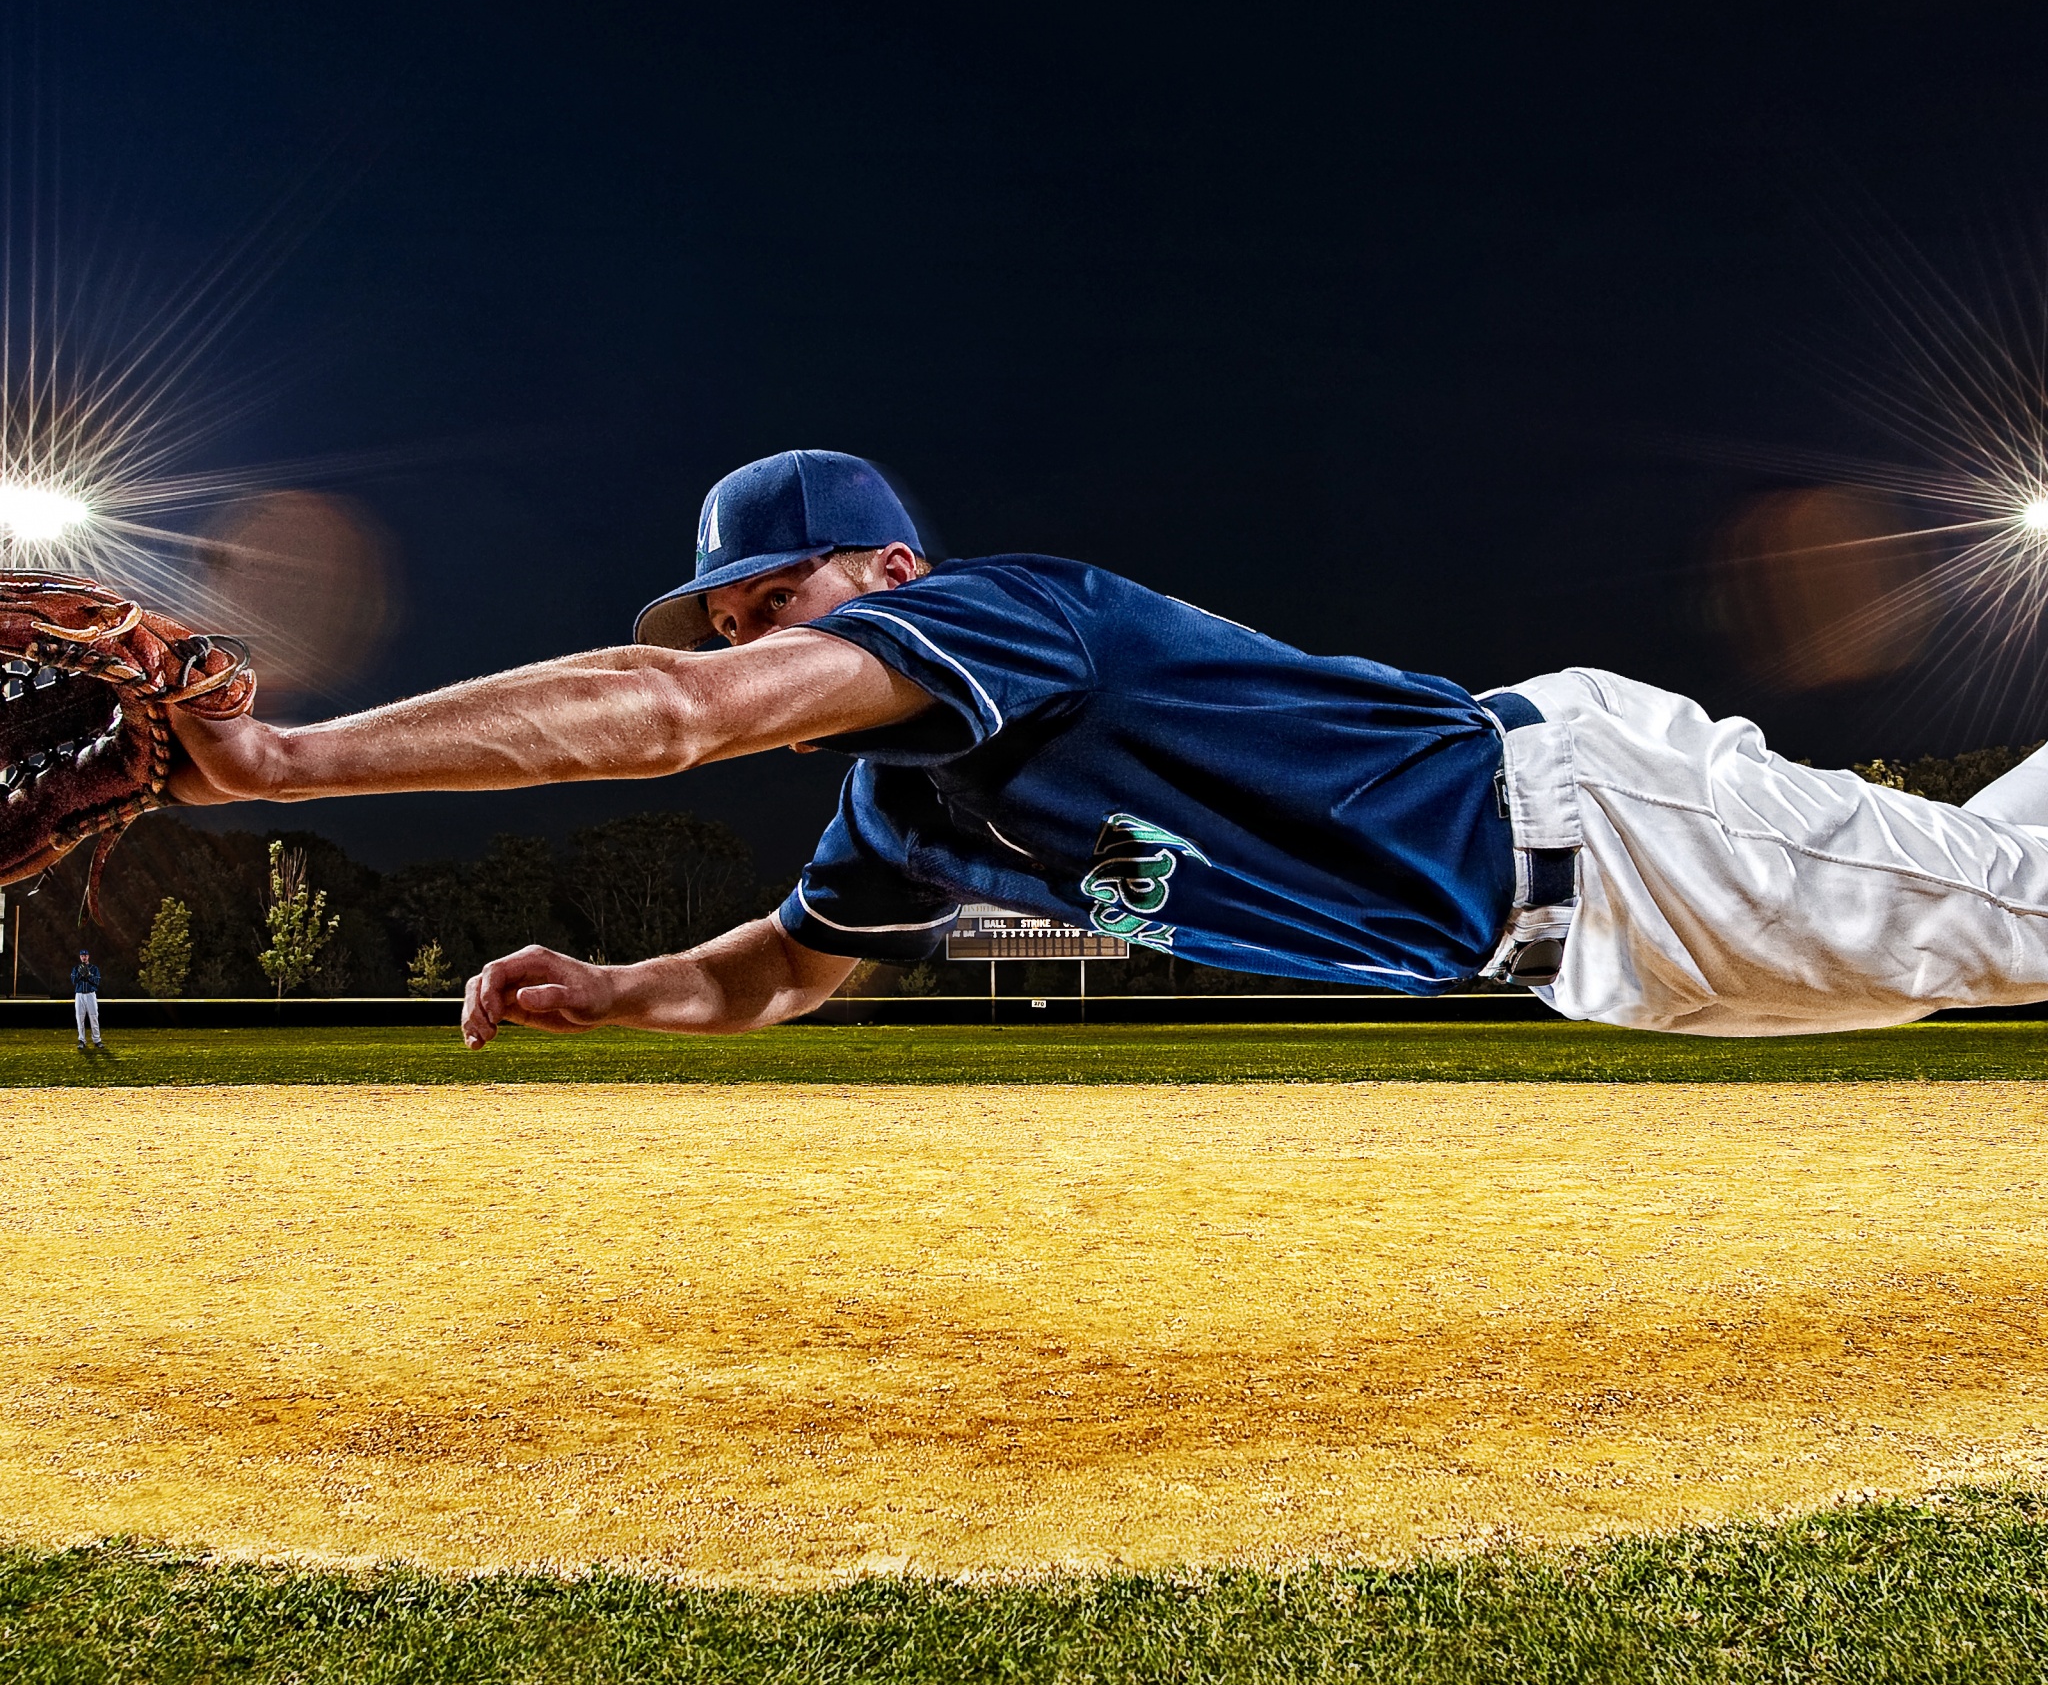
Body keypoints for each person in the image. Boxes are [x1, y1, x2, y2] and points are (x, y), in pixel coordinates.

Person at [164, 447, 2048, 1042]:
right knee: (2008, 922)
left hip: (1619, 829)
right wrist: (616, 985)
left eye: (777, 600)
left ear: (890, 567)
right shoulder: (903, 802)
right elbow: (781, 973)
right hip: (1598, 959)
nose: (749, 642)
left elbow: (669, 722)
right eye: (729, 616)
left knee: (2029, 928)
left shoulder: (1008, 608)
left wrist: (288, 762)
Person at [71, 947, 102, 1052]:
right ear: (80, 957)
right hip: (79, 995)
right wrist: (80, 975)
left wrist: (88, 975)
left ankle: (97, 1040)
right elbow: (73, 980)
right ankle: (82, 1041)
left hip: (90, 994)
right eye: (82, 956)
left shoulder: (94, 968)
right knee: (80, 1018)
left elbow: (97, 981)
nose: (84, 957)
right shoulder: (76, 968)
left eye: (85, 955)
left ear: (88, 956)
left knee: (94, 1017)